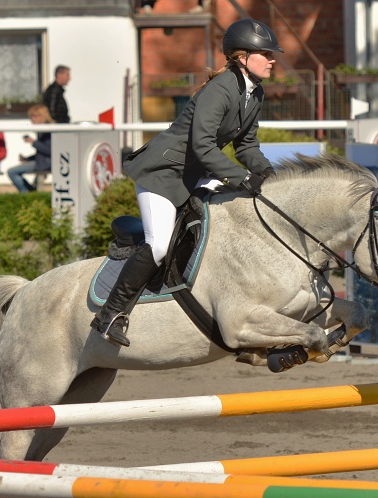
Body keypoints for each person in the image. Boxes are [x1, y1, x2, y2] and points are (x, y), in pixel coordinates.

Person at [91, 18, 282, 347]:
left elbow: (247, 146)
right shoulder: (220, 89)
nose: (272, 59)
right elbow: (203, 146)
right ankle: (110, 314)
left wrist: (271, 176)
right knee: (160, 244)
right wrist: (242, 177)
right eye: (264, 53)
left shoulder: (255, 93)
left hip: (193, 175)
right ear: (241, 57)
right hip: (162, 174)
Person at [7, 104, 53, 192]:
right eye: (32, 116)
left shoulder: (48, 129)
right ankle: (31, 192)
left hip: (45, 164)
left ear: (44, 116)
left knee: (11, 172)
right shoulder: (42, 129)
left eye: (36, 116)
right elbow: (42, 152)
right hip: (42, 162)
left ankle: (28, 194)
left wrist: (33, 142)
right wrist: (28, 159)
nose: (33, 119)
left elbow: (50, 151)